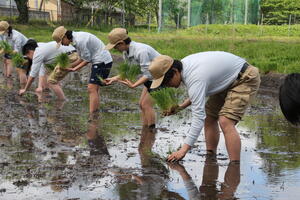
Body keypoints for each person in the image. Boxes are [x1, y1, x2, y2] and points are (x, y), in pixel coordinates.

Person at [148, 52, 261, 162]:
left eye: (166, 81)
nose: (168, 85)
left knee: (226, 121)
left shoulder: (195, 77)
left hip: (245, 78)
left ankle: (234, 166)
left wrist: (183, 150)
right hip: (229, 80)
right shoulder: (186, 67)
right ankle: (211, 156)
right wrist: (180, 107)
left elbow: (198, 118)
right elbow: (197, 94)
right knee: (210, 117)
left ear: (175, 71)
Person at [105, 28, 160, 128]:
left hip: (160, 76)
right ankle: (145, 127)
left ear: (121, 43)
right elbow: (130, 71)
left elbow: (148, 73)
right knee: (141, 104)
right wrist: (114, 78)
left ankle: (151, 131)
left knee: (146, 105)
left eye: (115, 47)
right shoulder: (126, 52)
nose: (115, 49)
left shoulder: (141, 51)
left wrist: (134, 85)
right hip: (151, 79)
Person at [52, 26, 113, 114]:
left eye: (61, 42)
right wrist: (68, 66)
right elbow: (81, 58)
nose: (61, 44)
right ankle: (95, 112)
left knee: (91, 88)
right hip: (100, 60)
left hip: (102, 61)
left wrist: (74, 69)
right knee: (94, 89)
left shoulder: (80, 40)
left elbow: (87, 60)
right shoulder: (75, 40)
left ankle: (92, 115)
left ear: (65, 37)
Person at [0, 21, 28, 87]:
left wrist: (8, 52)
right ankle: (8, 78)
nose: (2, 34)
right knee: (6, 60)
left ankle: (23, 84)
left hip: (24, 50)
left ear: (7, 29)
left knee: (20, 67)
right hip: (13, 49)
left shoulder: (16, 36)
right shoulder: (4, 34)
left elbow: (16, 51)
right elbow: (4, 46)